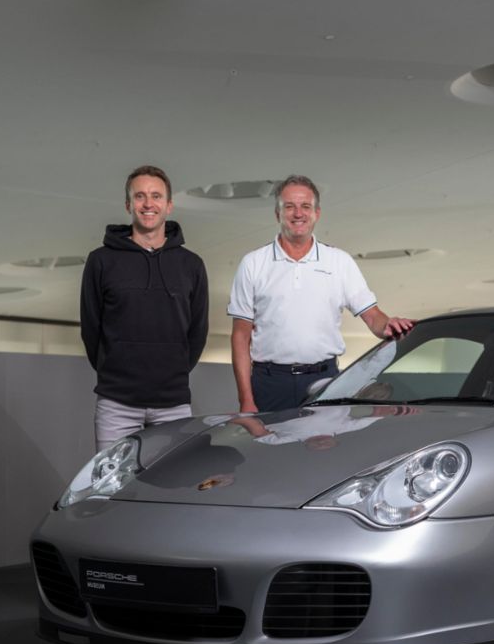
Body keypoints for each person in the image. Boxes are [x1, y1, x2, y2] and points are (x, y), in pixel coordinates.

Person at [227, 174, 414, 413]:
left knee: (323, 452)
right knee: (266, 450)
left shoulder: (339, 262)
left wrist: (388, 324)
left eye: (306, 206)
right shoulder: (253, 263)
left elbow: (373, 317)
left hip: (325, 382)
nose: (298, 214)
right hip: (269, 384)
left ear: (317, 213)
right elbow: (240, 337)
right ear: (277, 214)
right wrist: (246, 400)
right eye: (289, 207)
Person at [80, 165, 208, 451]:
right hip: (116, 405)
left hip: (173, 405)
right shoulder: (101, 261)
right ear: (128, 205)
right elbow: (91, 329)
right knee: (111, 490)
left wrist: (172, 371)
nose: (148, 204)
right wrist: (114, 371)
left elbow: (197, 332)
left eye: (156, 196)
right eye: (139, 196)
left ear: (169, 205)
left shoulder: (192, 265)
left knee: (171, 489)